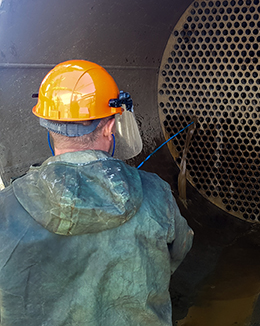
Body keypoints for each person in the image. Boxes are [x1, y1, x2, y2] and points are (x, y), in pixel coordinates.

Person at [0, 60, 194, 325]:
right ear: (109, 126)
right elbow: (177, 251)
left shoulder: (6, 208)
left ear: (48, 126)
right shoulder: (156, 193)